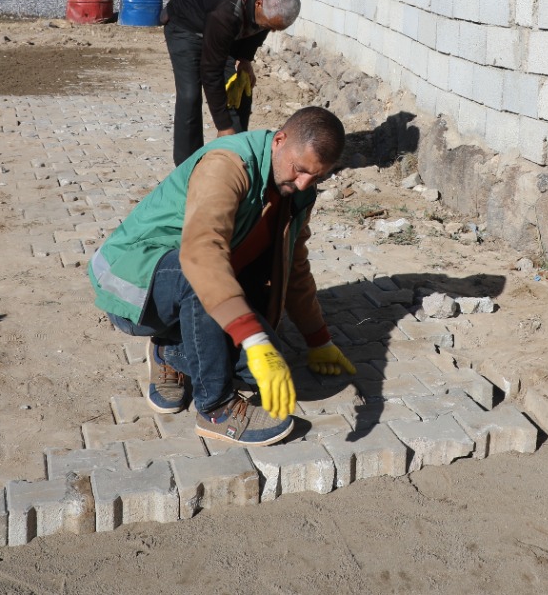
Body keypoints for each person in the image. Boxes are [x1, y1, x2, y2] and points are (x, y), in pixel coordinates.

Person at [85, 106, 357, 446]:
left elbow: (295, 266)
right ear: (280, 140)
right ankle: (215, 408)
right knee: (198, 278)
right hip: (135, 284)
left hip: (195, 287)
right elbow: (202, 255)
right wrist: (252, 338)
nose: (303, 183)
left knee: (260, 370)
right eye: (300, 170)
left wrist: (318, 340)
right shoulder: (227, 165)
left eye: (316, 178)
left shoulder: (298, 192)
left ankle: (172, 349)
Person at [161, 0, 300, 165]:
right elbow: (211, 71)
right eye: (270, 26)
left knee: (238, 87)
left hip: (228, 27)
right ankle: (187, 165)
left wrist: (245, 59)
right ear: (258, 4)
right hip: (186, 26)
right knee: (190, 95)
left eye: (275, 28)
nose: (271, 31)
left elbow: (259, 27)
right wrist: (223, 126)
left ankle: (234, 157)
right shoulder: (226, 11)